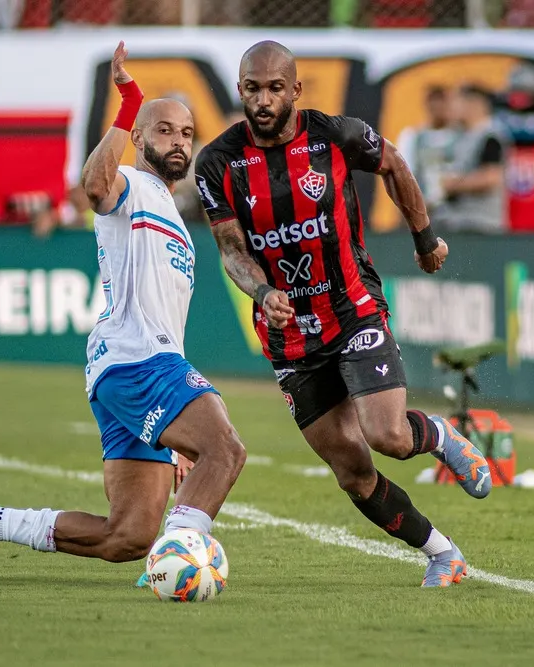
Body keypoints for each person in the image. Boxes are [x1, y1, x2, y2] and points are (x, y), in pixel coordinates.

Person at [0, 42, 247, 581]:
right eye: (164, 130)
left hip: (138, 367)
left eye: (186, 134)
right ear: (139, 138)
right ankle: (180, 557)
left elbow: (164, 319)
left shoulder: (174, 213)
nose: (178, 141)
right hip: (138, 365)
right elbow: (95, 185)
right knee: (225, 450)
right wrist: (128, 103)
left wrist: (176, 429)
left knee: (126, 535)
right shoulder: (132, 186)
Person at [194, 41, 492, 589]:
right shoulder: (217, 163)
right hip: (289, 335)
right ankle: (442, 553)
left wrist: (424, 236)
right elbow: (232, 250)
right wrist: (262, 294)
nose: (262, 100)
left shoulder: (337, 134)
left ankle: (440, 437)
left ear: (296, 90)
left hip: (353, 308)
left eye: (274, 88)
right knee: (353, 473)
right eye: (252, 89)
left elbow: (395, 164)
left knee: (389, 437)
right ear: (239, 90)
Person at [430, 84, 509, 234]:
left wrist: (452, 184)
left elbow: (491, 177)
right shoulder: (457, 135)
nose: (452, 107)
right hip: (453, 221)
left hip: (481, 224)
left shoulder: (490, 136)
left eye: (457, 101)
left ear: (474, 104)